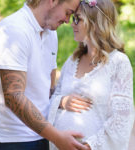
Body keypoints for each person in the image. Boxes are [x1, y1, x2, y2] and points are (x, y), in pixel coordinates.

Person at [0, 0, 88, 150]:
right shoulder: (14, 30)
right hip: (9, 140)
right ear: (52, 1)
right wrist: (57, 137)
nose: (67, 21)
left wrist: (61, 101)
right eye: (67, 13)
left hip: (41, 135)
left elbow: (46, 88)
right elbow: (14, 97)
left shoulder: (51, 34)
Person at [48, 0, 135, 150]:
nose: (72, 23)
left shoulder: (118, 62)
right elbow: (53, 99)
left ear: (96, 24)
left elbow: (122, 116)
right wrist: (62, 101)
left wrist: (89, 146)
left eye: (78, 19)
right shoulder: (72, 61)